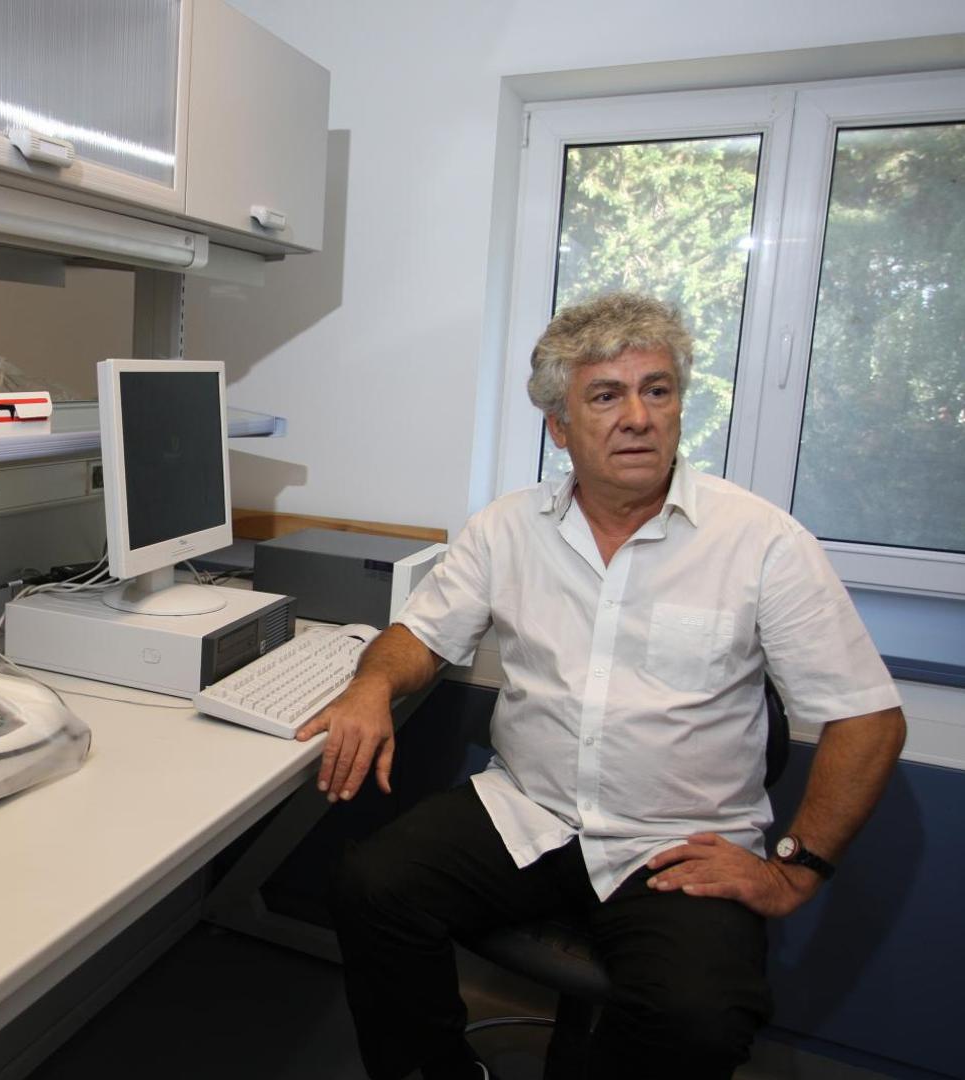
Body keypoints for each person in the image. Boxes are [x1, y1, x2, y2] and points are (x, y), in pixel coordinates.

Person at [299, 292, 907, 1080]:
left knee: (698, 1019)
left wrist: (793, 870)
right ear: (559, 427)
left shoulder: (761, 542)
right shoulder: (507, 527)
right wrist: (370, 687)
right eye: (607, 396)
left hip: (679, 843)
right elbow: (420, 635)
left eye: (657, 390)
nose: (639, 418)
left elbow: (868, 719)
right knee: (372, 887)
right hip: (531, 811)